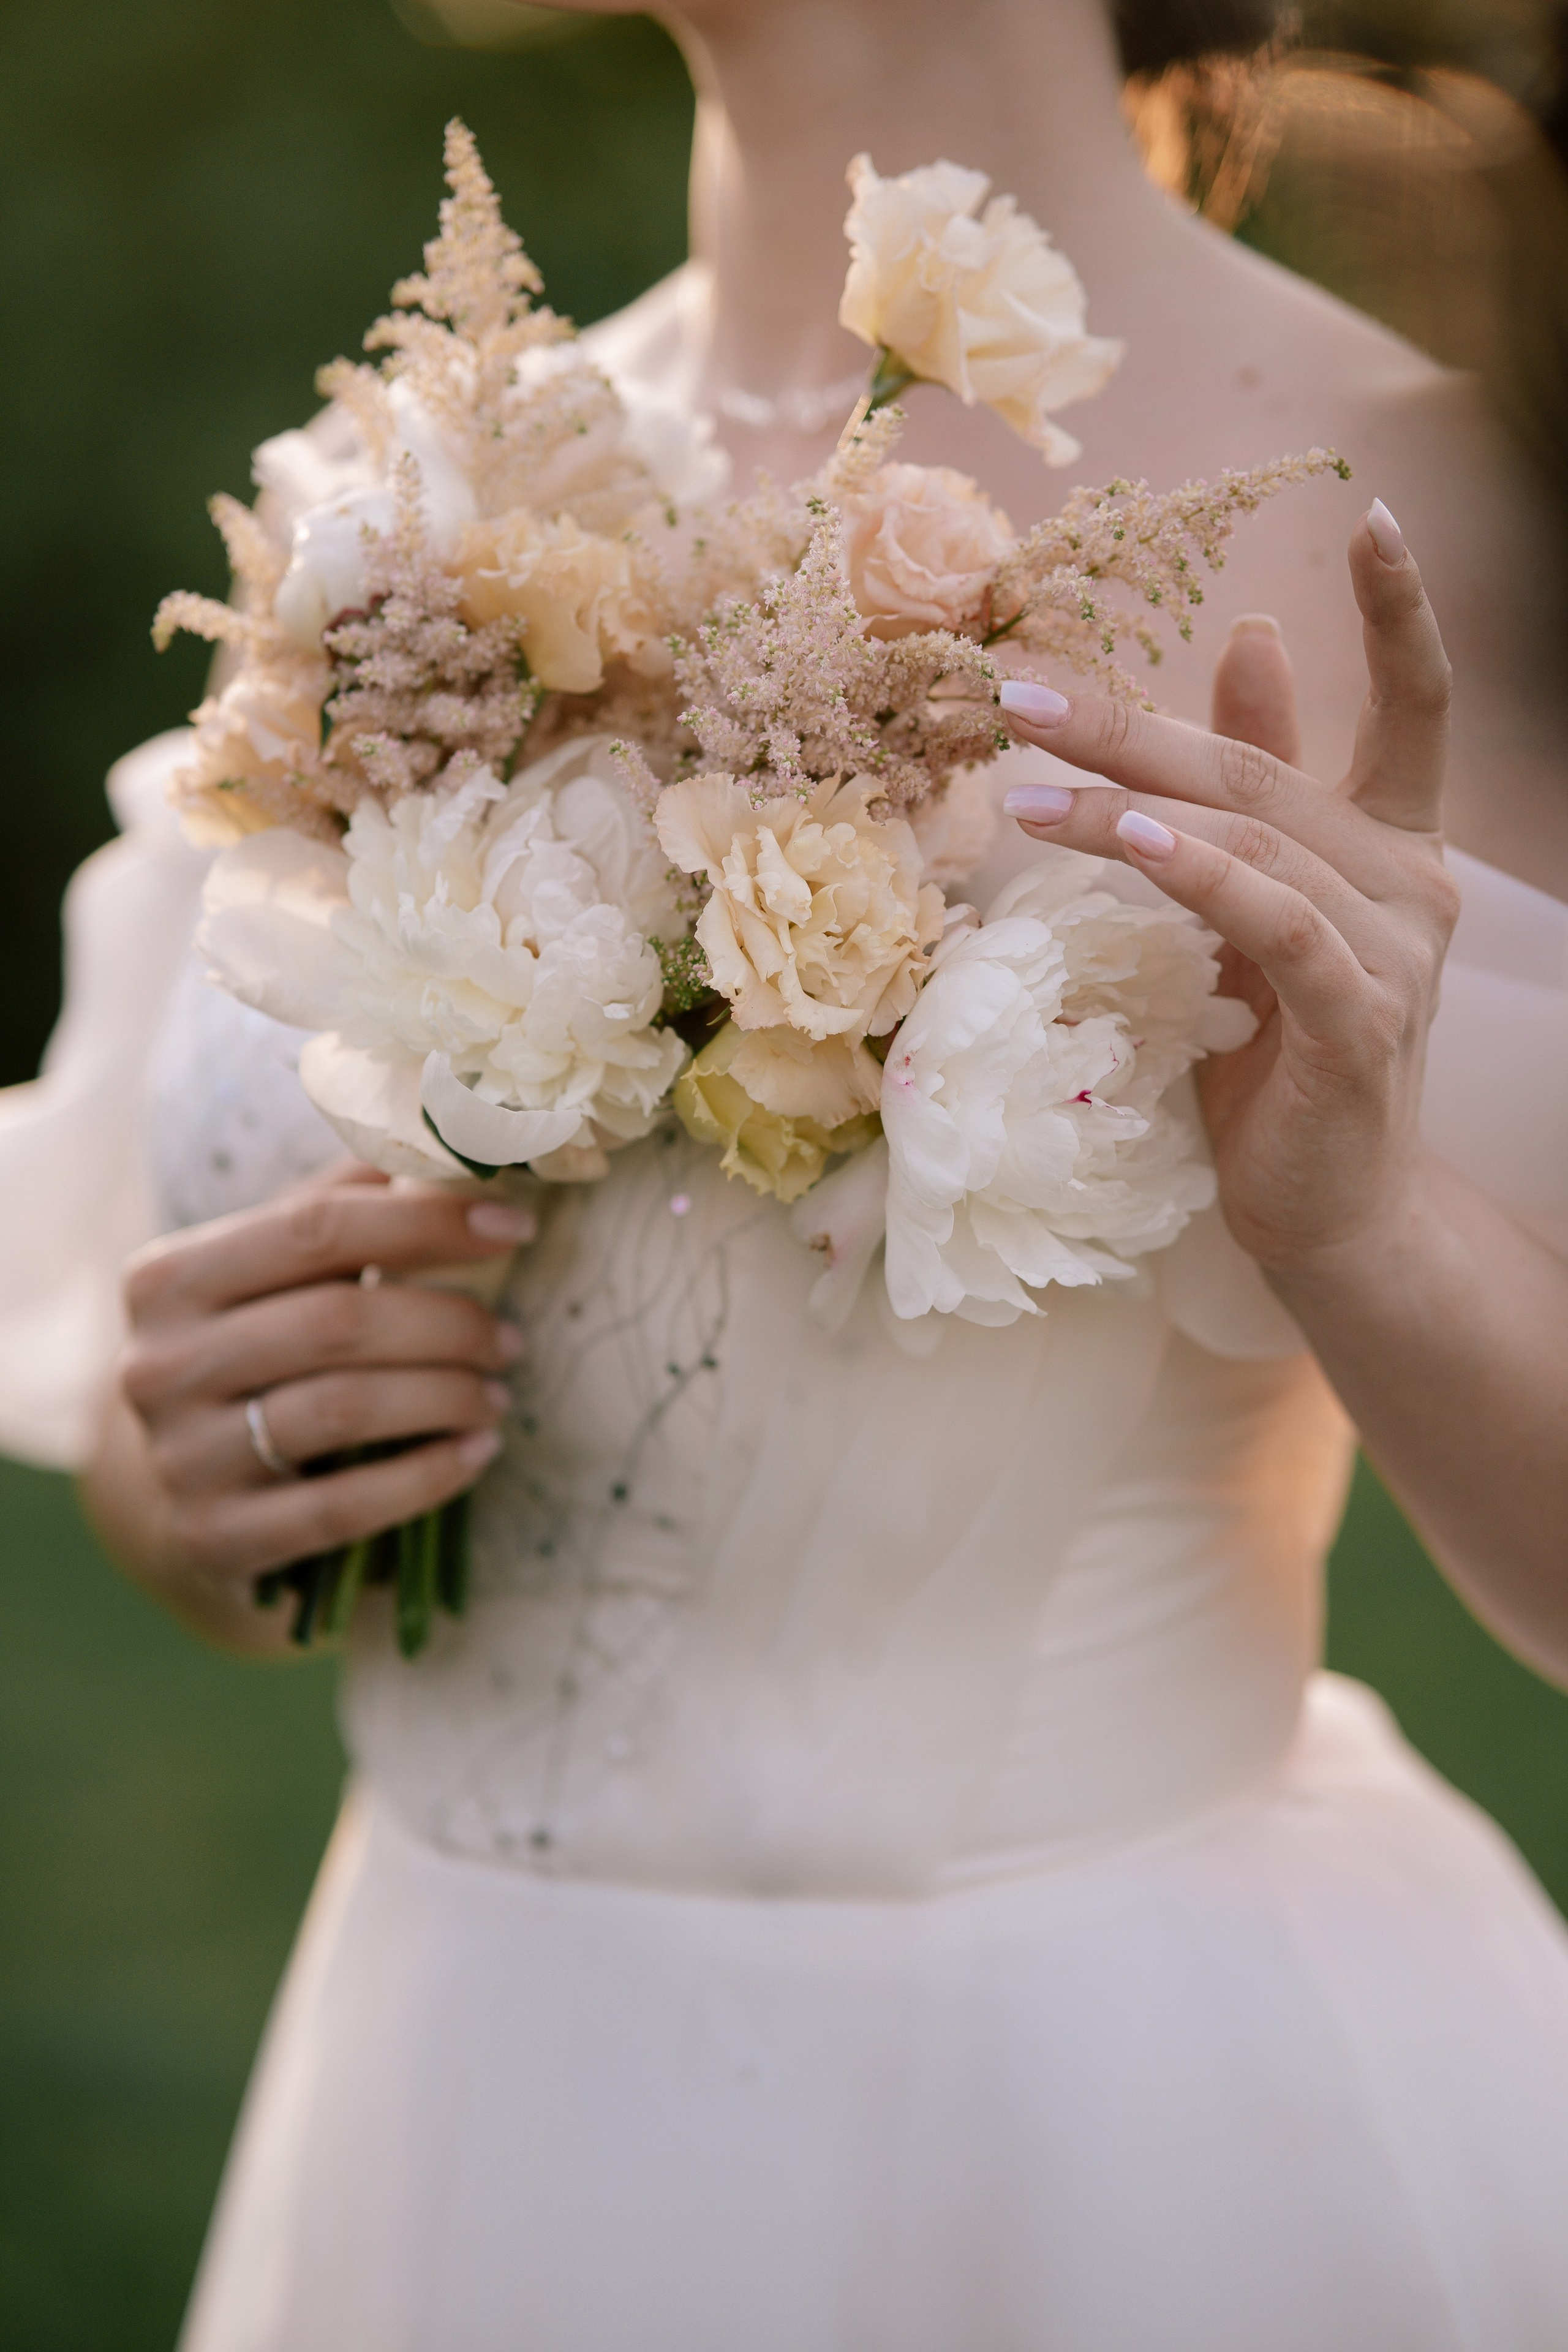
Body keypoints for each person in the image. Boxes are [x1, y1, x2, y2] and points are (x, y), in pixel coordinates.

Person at [2, 0, 1566, 2343]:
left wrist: (1360, 1232)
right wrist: (203, 1478)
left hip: (1098, 2145)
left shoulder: (1432, 530)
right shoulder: (392, 503)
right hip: (463, 2095)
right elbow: (187, 1437)